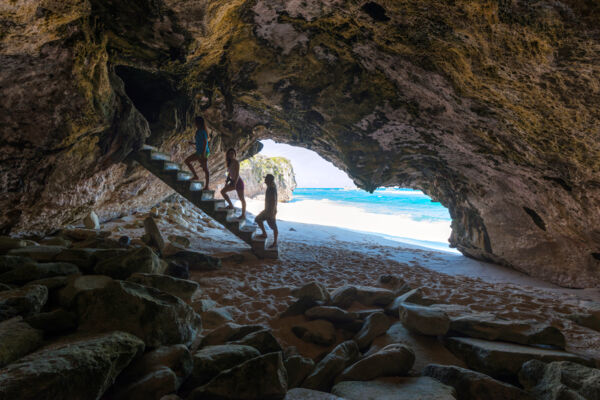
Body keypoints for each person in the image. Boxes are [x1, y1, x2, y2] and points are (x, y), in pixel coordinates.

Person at [184, 116, 210, 189]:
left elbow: (205, 142)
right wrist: (193, 143)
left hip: (203, 152)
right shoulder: (198, 131)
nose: (194, 123)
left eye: (195, 122)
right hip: (199, 152)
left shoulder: (202, 131)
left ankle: (207, 186)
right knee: (187, 161)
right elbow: (200, 142)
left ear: (198, 123)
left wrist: (203, 154)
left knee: (205, 169)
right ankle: (195, 176)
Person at [220, 148, 246, 219]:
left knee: (242, 199)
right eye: (230, 153)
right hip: (232, 181)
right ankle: (231, 205)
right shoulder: (230, 163)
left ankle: (243, 215)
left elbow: (237, 174)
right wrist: (227, 182)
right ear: (227, 155)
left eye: (232, 153)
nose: (231, 154)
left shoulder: (236, 162)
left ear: (235, 154)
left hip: (238, 182)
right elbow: (229, 173)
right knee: (222, 192)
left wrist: (235, 183)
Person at [255, 174, 278, 248]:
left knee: (274, 227)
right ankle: (264, 233)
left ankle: (275, 242)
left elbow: (274, 200)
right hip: (267, 210)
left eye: (266, 179)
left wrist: (272, 212)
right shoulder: (270, 187)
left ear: (269, 180)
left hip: (270, 211)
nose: (264, 180)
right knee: (258, 219)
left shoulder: (272, 188)